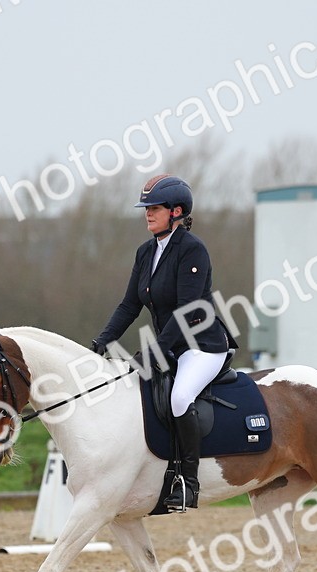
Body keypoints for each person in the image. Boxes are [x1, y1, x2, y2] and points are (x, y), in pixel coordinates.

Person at [91, 174, 237, 512]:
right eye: (146, 208)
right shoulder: (146, 252)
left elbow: (188, 310)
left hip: (201, 346)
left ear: (177, 211)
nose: (147, 213)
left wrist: (158, 349)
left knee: (180, 398)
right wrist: (103, 339)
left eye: (154, 208)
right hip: (171, 345)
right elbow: (130, 304)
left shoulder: (192, 249)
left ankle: (188, 483)